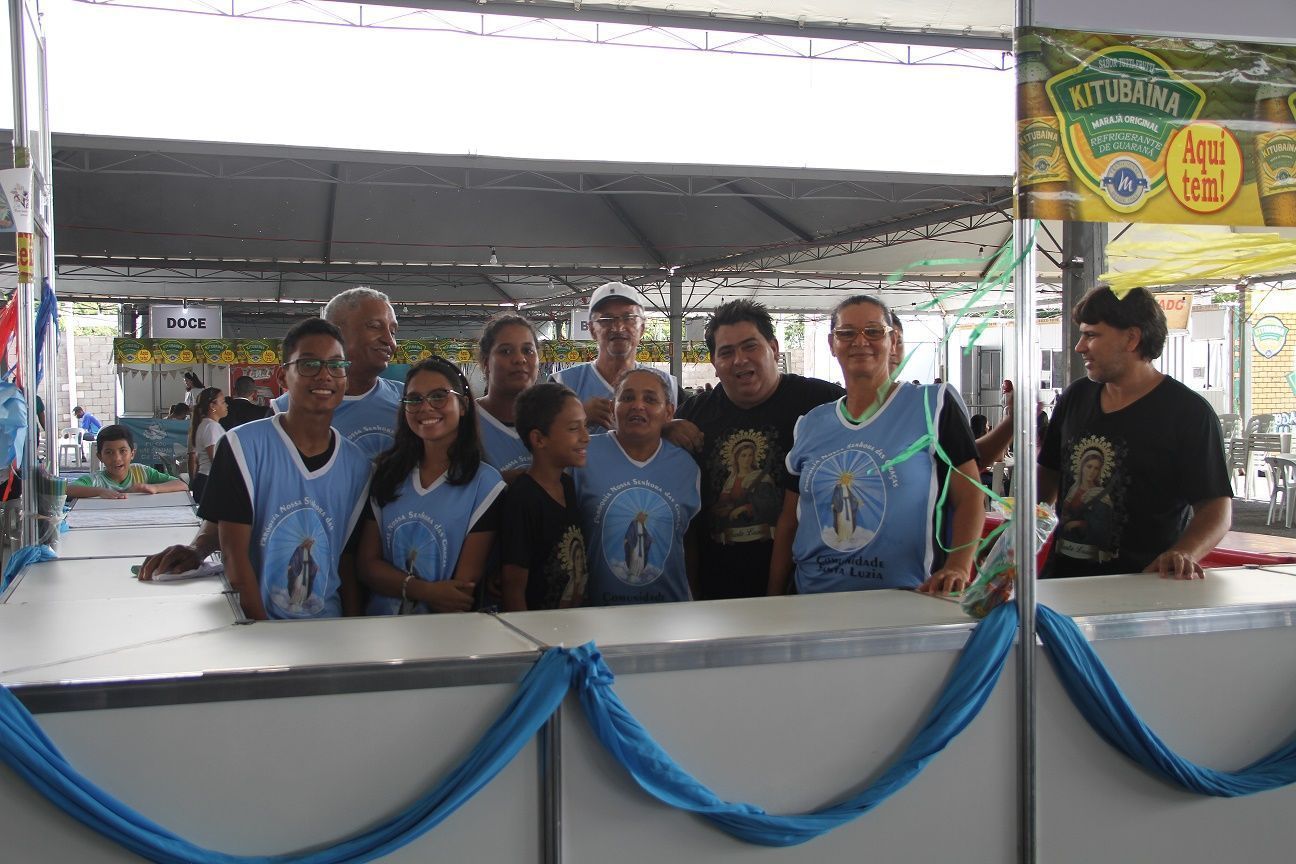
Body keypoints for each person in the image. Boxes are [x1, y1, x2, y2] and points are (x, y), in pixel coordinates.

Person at [769, 295, 983, 597]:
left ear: (893, 341)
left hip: (907, 597)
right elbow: (790, 521)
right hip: (814, 600)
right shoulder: (810, 424)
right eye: (846, 333)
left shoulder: (932, 405)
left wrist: (960, 566)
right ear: (832, 344)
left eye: (873, 331)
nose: (860, 341)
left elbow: (970, 495)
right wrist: (774, 597)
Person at [1038, 286, 1232, 580]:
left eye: (1091, 335)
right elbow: (1047, 478)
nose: (1080, 346)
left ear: (1132, 338)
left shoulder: (1188, 412)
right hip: (1063, 582)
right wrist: (1016, 534)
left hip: (1143, 587)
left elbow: (1216, 509)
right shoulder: (1075, 397)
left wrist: (1185, 552)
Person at [198, 318, 372, 619]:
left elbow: (345, 562)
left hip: (329, 632)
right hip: (260, 630)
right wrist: (265, 634)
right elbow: (234, 556)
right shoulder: (241, 447)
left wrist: (352, 629)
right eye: (308, 365)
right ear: (282, 376)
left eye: (335, 366)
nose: (324, 376)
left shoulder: (357, 465)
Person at [675, 299, 843, 599]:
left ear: (774, 349)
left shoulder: (822, 401)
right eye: (726, 352)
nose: (739, 360)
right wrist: (664, 428)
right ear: (714, 363)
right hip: (717, 588)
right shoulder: (692, 416)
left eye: (750, 346)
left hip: (805, 584)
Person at [358, 356, 505, 616]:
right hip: (380, 631)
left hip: (444, 634)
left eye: (439, 396)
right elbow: (368, 565)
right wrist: (424, 591)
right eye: (414, 399)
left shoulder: (485, 485)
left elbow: (459, 592)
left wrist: (401, 584)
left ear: (463, 405)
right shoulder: (388, 474)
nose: (425, 408)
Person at [572, 367, 700, 606]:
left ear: (669, 412)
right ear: (613, 407)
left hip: (670, 612)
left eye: (650, 399)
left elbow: (689, 543)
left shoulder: (686, 466)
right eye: (627, 397)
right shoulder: (583, 457)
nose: (638, 406)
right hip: (596, 613)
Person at [273, 286, 403, 459]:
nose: (389, 340)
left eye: (393, 332)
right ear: (334, 332)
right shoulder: (283, 412)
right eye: (374, 326)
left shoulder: (411, 402)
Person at [500, 382, 591, 611]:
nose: (586, 437)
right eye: (573, 428)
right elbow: (513, 587)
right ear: (539, 439)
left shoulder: (567, 485)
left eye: (585, 426)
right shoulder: (523, 499)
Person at [552, 282, 680, 435]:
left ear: (642, 328)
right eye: (606, 319)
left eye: (629, 318)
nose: (618, 327)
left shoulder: (666, 384)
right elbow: (543, 441)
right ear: (592, 329)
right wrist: (578, 416)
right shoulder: (562, 383)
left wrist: (676, 427)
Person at [475, 314, 541, 480]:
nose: (519, 359)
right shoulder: (464, 422)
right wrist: (496, 485)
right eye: (505, 351)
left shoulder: (555, 420)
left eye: (528, 350)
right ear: (485, 362)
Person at [68, 425, 188, 499]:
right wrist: (101, 492)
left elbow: (182, 485)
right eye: (109, 452)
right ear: (100, 457)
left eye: (123, 451)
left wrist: (154, 487)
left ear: (132, 453)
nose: (117, 458)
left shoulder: (142, 472)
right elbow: (68, 489)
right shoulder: (96, 480)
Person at [187, 387, 227, 505]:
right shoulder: (211, 427)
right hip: (209, 480)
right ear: (212, 406)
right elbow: (216, 460)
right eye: (223, 402)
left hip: (207, 480)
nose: (226, 405)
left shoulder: (208, 425)